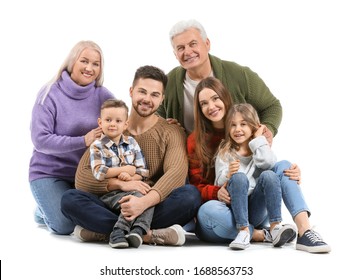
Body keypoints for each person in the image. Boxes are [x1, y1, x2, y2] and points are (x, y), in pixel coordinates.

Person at [61, 65, 201, 246]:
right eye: (142, 92)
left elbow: (176, 174)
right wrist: (121, 184)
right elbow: (82, 177)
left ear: (162, 99)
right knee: (69, 199)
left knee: (190, 195)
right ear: (131, 91)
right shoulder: (112, 127)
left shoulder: (171, 131)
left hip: (150, 204)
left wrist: (142, 204)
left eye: (154, 94)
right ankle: (147, 234)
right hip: (112, 202)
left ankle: (107, 232)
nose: (147, 99)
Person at [189, 77, 331, 253]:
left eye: (216, 98)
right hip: (225, 207)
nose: (211, 106)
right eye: (203, 103)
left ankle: (305, 231)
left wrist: (259, 140)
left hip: (255, 202)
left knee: (284, 165)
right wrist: (218, 191)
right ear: (199, 108)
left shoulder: (254, 135)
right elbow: (195, 189)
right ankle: (259, 234)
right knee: (207, 212)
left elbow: (267, 165)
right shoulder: (203, 142)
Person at [29, 40, 114, 235]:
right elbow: (40, 140)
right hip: (50, 173)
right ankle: (43, 211)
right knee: (65, 225)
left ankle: (51, 205)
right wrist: (82, 140)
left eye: (96, 64)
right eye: (84, 61)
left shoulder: (102, 95)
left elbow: (123, 121)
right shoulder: (50, 93)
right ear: (72, 62)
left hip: (85, 175)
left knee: (108, 211)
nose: (89, 68)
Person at [157, 19, 281, 146]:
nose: (188, 52)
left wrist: (267, 130)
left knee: (285, 165)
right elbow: (153, 119)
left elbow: (271, 106)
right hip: (192, 158)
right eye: (180, 48)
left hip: (238, 155)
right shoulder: (167, 83)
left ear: (207, 44)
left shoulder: (238, 74)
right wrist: (168, 126)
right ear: (175, 54)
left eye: (193, 44)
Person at [214, 103, 296, 250]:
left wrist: (258, 140)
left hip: (257, 208)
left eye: (243, 124)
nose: (237, 129)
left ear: (253, 126)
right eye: (233, 125)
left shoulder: (260, 148)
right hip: (236, 209)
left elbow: (269, 163)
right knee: (238, 177)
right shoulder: (225, 152)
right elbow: (218, 181)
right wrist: (228, 175)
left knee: (269, 175)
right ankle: (243, 232)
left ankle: (275, 227)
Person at [90, 98, 152, 248]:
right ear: (100, 122)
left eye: (118, 121)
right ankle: (119, 231)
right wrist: (124, 171)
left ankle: (136, 231)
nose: (112, 124)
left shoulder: (132, 142)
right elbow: (99, 172)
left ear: (125, 124)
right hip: (110, 195)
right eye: (108, 120)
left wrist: (131, 178)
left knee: (150, 195)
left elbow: (142, 171)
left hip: (132, 188)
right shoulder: (97, 146)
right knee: (139, 196)